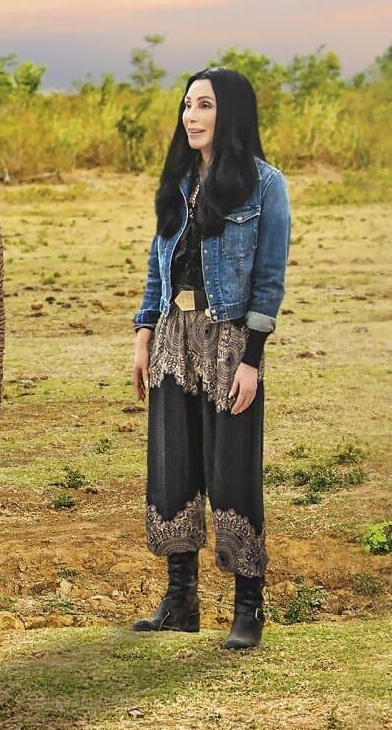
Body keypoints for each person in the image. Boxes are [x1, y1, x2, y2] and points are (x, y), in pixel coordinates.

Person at [130, 67, 292, 650]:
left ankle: (248, 606)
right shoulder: (176, 183)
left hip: (229, 342)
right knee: (174, 465)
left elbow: (269, 279)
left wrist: (253, 357)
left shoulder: (266, 186)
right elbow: (158, 263)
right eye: (186, 105)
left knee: (232, 470)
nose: (190, 116)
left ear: (231, 114)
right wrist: (144, 331)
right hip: (175, 333)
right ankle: (181, 602)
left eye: (203, 105)